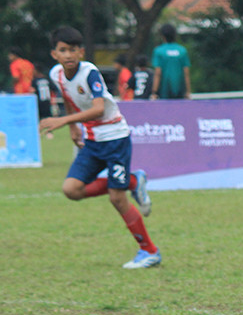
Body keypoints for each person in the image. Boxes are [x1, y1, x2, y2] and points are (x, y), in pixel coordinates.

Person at [39, 26, 161, 269]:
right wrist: (74, 128)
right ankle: (133, 181)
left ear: (81, 51)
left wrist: (63, 121)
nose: (69, 55)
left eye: (73, 50)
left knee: (117, 198)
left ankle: (149, 251)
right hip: (93, 141)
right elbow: (68, 96)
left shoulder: (90, 72)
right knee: (71, 189)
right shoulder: (56, 74)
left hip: (115, 138)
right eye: (63, 50)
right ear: (54, 54)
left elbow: (99, 109)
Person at [151, 24, 191, 99]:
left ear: (163, 36)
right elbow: (186, 73)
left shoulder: (158, 51)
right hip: (180, 91)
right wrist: (188, 91)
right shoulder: (182, 50)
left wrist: (154, 92)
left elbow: (157, 73)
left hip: (164, 92)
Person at [32, 63, 59, 132]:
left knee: (38, 117)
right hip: (47, 101)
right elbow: (54, 89)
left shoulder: (35, 81)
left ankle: (39, 131)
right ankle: (49, 132)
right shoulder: (47, 79)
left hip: (38, 102)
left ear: (36, 70)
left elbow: (32, 90)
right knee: (48, 117)